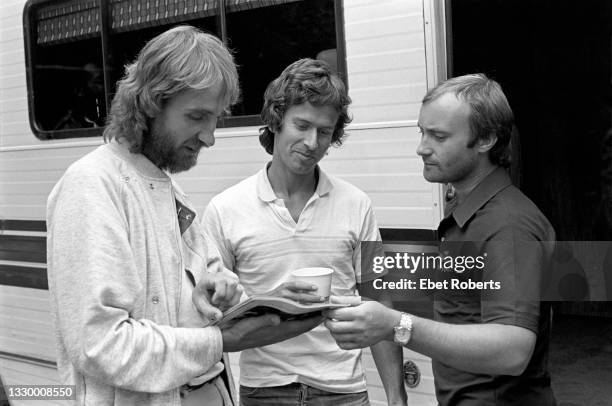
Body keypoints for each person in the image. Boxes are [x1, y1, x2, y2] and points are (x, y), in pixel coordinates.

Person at [47, 26, 321, 406]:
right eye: (196, 116)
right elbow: (100, 345)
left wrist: (243, 296)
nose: (209, 136)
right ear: (150, 102)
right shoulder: (92, 185)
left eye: (215, 118)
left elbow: (188, 295)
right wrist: (221, 340)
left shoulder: (168, 186)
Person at [324, 74, 557, 405]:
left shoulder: (508, 226)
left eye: (438, 136)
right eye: (422, 132)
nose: (422, 148)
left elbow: (513, 350)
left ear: (486, 139)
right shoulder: (468, 216)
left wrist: (396, 325)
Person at [202, 58, 407, 406]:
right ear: (276, 120)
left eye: (324, 132)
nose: (312, 142)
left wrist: (396, 395)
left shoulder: (358, 205)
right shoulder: (225, 209)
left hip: (343, 390)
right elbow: (210, 315)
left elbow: (379, 301)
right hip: (264, 391)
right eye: (302, 125)